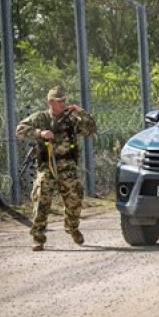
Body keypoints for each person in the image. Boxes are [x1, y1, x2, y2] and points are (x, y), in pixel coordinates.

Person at [16, 86, 97, 251]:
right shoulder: (41, 118)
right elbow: (20, 130)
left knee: (75, 199)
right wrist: (40, 133)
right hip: (47, 166)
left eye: (64, 101)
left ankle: (72, 227)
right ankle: (38, 237)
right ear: (50, 102)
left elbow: (91, 130)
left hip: (67, 166)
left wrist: (81, 112)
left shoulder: (71, 120)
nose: (63, 103)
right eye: (59, 101)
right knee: (41, 200)